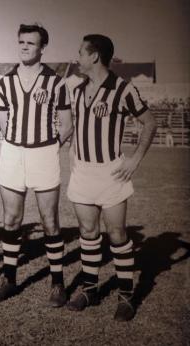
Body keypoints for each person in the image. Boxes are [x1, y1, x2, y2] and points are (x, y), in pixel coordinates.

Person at [66, 34, 156, 321]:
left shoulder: (122, 88)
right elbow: (77, 127)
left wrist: (135, 159)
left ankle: (126, 296)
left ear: (94, 56)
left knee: (117, 235)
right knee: (88, 233)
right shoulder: (78, 89)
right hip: (82, 171)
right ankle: (90, 288)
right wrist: (71, 151)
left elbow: (149, 122)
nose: (76, 58)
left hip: (111, 172)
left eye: (80, 52)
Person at [0, 24, 73, 306]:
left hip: (43, 155)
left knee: (50, 221)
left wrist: (48, 148)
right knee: (11, 220)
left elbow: (68, 125)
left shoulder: (56, 82)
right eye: (21, 42)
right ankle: (9, 279)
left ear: (42, 47)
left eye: (30, 43)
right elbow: (3, 121)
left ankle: (57, 283)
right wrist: (1, 142)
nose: (24, 47)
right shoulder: (4, 83)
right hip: (12, 154)